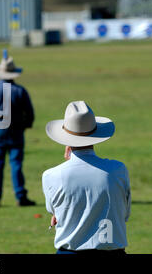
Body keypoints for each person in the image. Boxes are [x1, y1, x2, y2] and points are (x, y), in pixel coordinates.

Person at [42, 101, 131, 254]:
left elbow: (55, 213)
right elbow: (124, 214)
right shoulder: (118, 170)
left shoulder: (51, 175)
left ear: (66, 140)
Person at [0, 51, 36, 207]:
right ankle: (20, 196)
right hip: (16, 131)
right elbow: (29, 113)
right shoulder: (21, 91)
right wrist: (26, 125)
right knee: (16, 165)